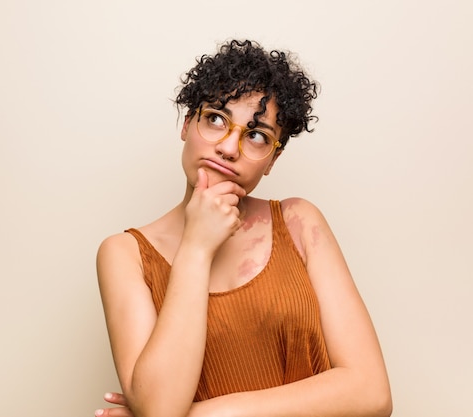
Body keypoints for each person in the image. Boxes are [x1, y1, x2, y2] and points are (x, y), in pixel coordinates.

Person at [95, 39, 392, 417]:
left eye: (256, 135)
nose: (229, 148)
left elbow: (372, 393)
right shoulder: (125, 254)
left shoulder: (300, 223)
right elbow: (158, 407)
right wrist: (197, 247)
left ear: (272, 160)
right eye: (216, 118)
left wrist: (200, 414)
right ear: (187, 124)